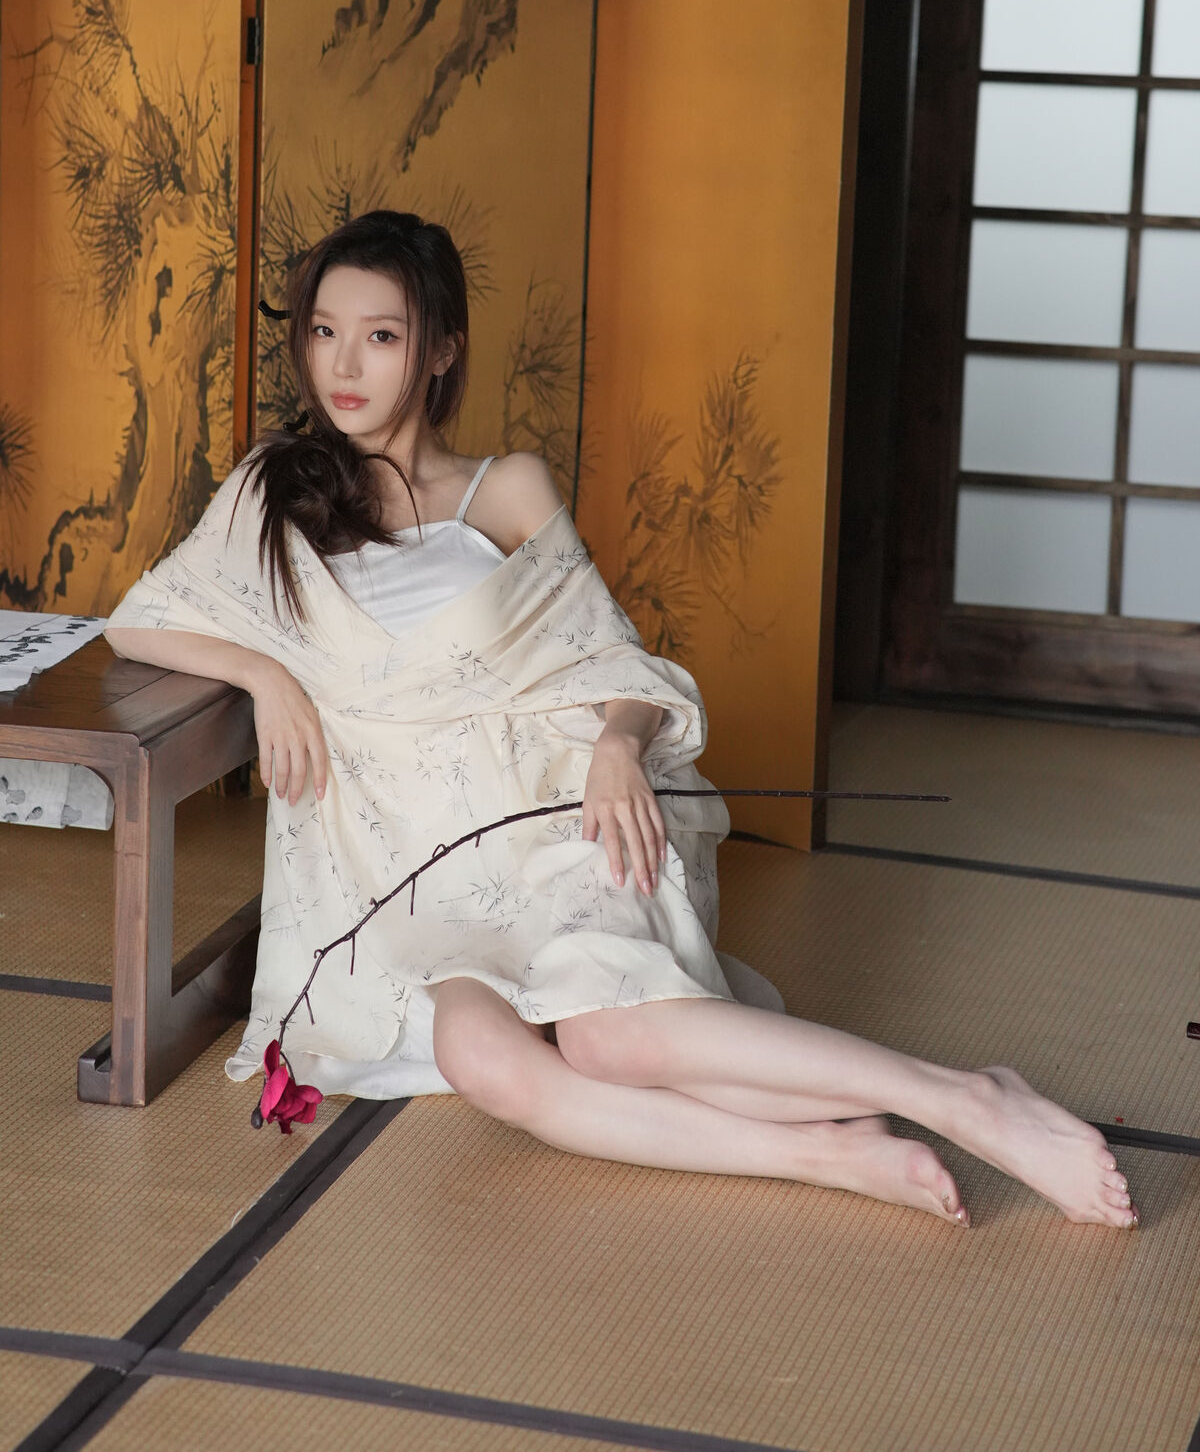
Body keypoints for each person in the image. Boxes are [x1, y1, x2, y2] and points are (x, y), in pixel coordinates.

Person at [104, 211, 1137, 1230]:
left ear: (442, 350)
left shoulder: (506, 489)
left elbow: (618, 665)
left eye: (381, 335)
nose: (344, 364)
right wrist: (264, 674)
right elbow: (141, 619)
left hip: (548, 813)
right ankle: (827, 1154)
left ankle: (965, 1098)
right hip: (404, 870)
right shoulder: (271, 493)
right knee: (481, 1056)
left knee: (605, 1041)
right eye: (325, 331)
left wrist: (616, 743)